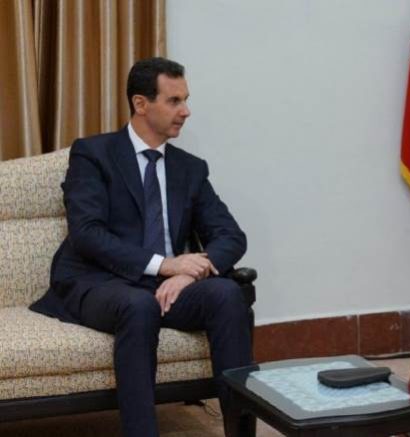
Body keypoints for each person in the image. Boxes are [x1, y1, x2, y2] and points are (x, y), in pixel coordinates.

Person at [29, 57, 252, 437]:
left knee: (228, 295)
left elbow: (231, 235)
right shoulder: (93, 154)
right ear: (141, 103)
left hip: (166, 285)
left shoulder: (190, 168)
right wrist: (165, 265)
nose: (186, 111)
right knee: (139, 305)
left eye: (186, 99)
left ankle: (241, 432)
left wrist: (190, 273)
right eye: (174, 100)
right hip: (97, 281)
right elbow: (87, 233)